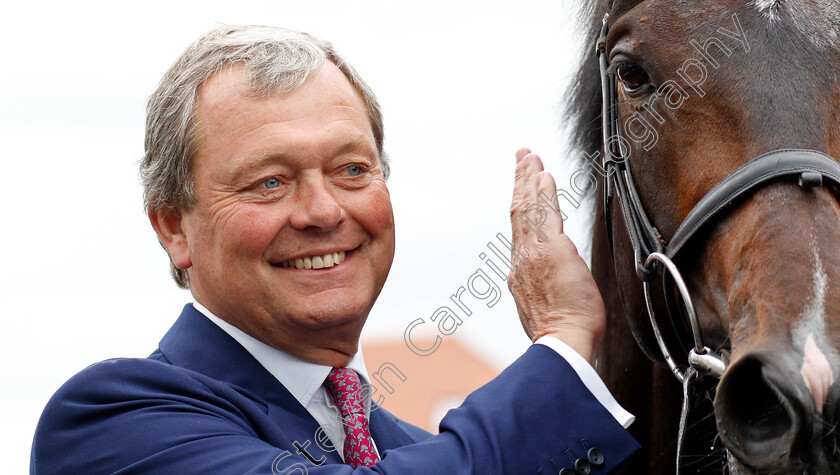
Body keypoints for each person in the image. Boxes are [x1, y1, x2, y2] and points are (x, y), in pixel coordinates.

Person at [31, 25, 639, 474]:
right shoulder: (109, 425)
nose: (324, 212)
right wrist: (562, 341)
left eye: (352, 170)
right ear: (174, 228)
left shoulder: (405, 447)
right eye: (270, 181)